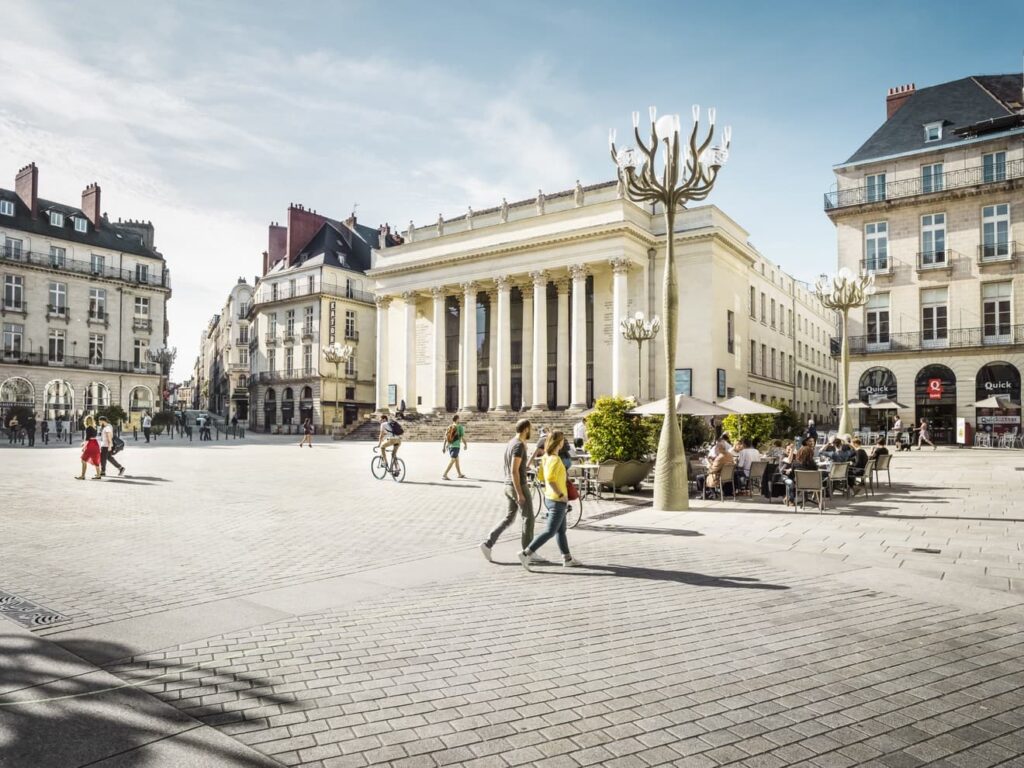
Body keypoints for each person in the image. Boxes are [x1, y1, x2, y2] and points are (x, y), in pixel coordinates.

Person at [517, 430, 582, 571]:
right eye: (563, 440)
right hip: (557, 499)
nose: (564, 442)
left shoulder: (546, 457)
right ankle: (526, 553)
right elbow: (551, 479)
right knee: (550, 531)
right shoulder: (554, 459)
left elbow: (541, 477)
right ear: (559, 442)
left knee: (561, 530)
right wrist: (560, 494)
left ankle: (567, 558)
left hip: (550, 497)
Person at [481, 419, 536, 562]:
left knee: (509, 518)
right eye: (531, 429)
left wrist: (525, 468)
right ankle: (528, 552)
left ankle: (488, 544)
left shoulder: (511, 443)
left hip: (508, 485)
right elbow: (514, 470)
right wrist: (520, 493)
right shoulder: (518, 445)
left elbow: (515, 467)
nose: (532, 431)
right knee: (528, 518)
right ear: (525, 430)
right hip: (518, 485)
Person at [782, 443, 818, 507]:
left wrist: (789, 472)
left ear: (799, 453)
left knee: (792, 481)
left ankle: (790, 499)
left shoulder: (795, 463)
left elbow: (792, 475)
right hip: (812, 485)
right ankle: (819, 502)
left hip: (799, 484)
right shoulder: (813, 464)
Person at [441, 414, 467, 480]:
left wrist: (444, 447)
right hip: (456, 446)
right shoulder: (460, 427)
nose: (459, 419)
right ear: (457, 419)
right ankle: (445, 474)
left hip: (450, 446)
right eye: (459, 418)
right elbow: (462, 437)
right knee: (453, 460)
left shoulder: (449, 426)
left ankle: (459, 474)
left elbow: (445, 438)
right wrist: (465, 444)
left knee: (457, 459)